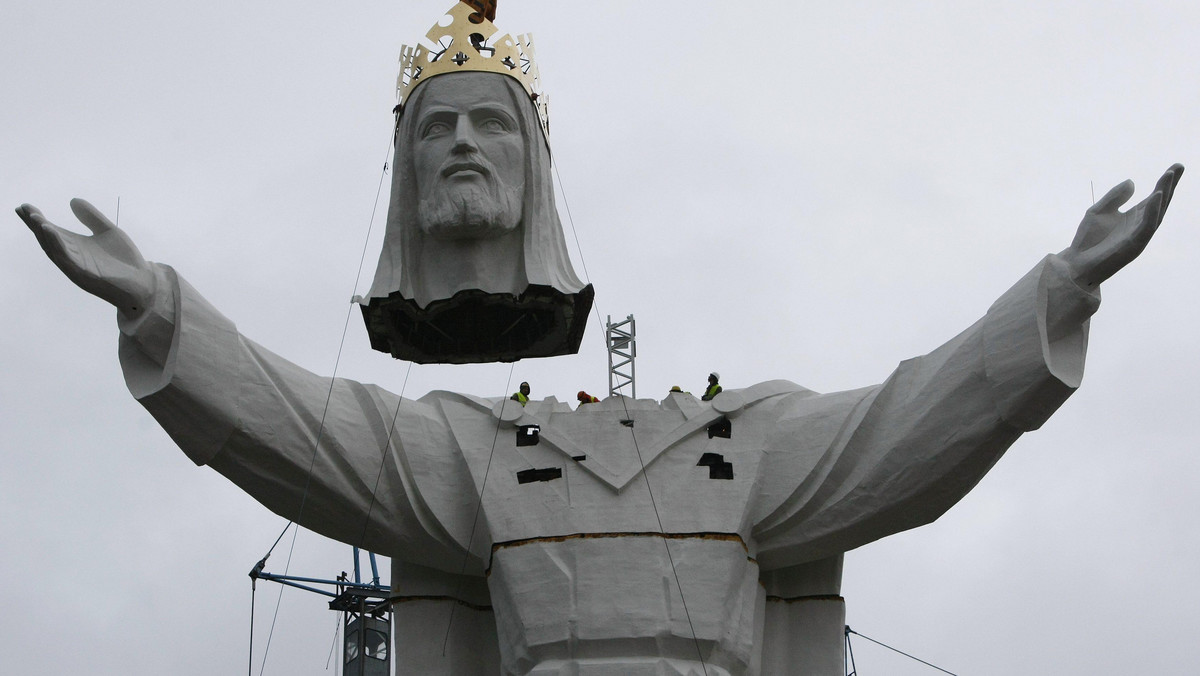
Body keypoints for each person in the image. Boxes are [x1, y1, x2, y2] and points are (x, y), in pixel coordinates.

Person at [14, 3, 1186, 674]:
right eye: (440, 130)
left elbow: (912, 421)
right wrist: (160, 307)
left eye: (491, 125)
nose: (464, 147)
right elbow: (315, 434)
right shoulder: (480, 455)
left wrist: (1056, 292)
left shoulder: (753, 443)